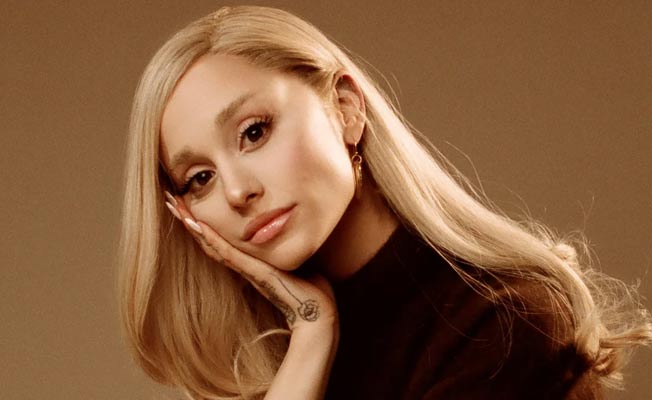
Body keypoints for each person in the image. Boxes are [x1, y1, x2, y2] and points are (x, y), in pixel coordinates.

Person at [118, 5, 652, 399]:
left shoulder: (503, 324)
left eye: (254, 132)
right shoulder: (269, 361)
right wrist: (311, 335)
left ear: (345, 108)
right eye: (200, 178)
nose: (237, 192)